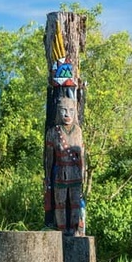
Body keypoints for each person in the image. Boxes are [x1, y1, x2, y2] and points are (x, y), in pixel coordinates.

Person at [44, 96, 85, 235]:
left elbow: (82, 156)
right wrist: (48, 177)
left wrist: (83, 173)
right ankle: (61, 230)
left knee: (75, 203)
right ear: (58, 112)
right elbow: (49, 158)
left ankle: (74, 229)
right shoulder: (52, 132)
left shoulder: (78, 131)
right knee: (60, 203)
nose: (67, 114)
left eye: (71, 110)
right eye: (63, 110)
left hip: (75, 173)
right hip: (60, 173)